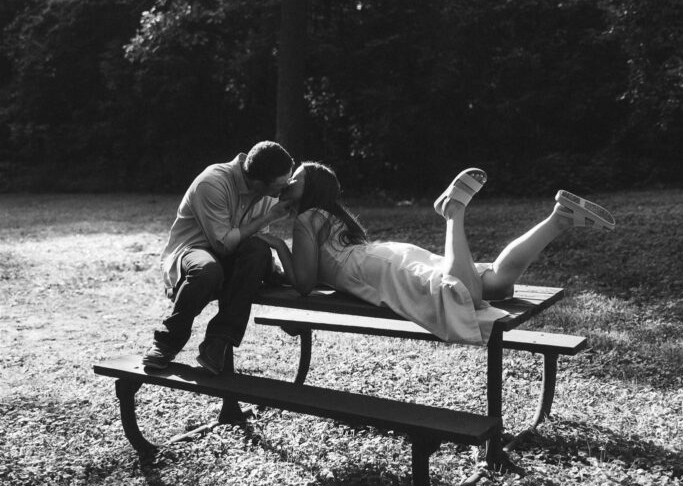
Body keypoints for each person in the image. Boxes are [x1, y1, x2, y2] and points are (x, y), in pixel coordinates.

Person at [261, 163, 616, 346]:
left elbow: (305, 284)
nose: (289, 184)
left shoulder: (306, 219)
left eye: (296, 179)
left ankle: (453, 212)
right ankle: (560, 218)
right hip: (385, 256)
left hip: (377, 270)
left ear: (312, 190)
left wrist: (276, 244)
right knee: (498, 284)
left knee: (466, 293)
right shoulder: (329, 216)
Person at [143, 141, 295, 374]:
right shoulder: (212, 183)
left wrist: (272, 269)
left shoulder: (267, 192)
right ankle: (166, 343)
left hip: (231, 254)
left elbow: (256, 240)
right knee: (208, 270)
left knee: (258, 251)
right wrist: (268, 218)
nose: (284, 190)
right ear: (257, 181)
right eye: (280, 184)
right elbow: (222, 244)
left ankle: (217, 343)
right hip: (195, 249)